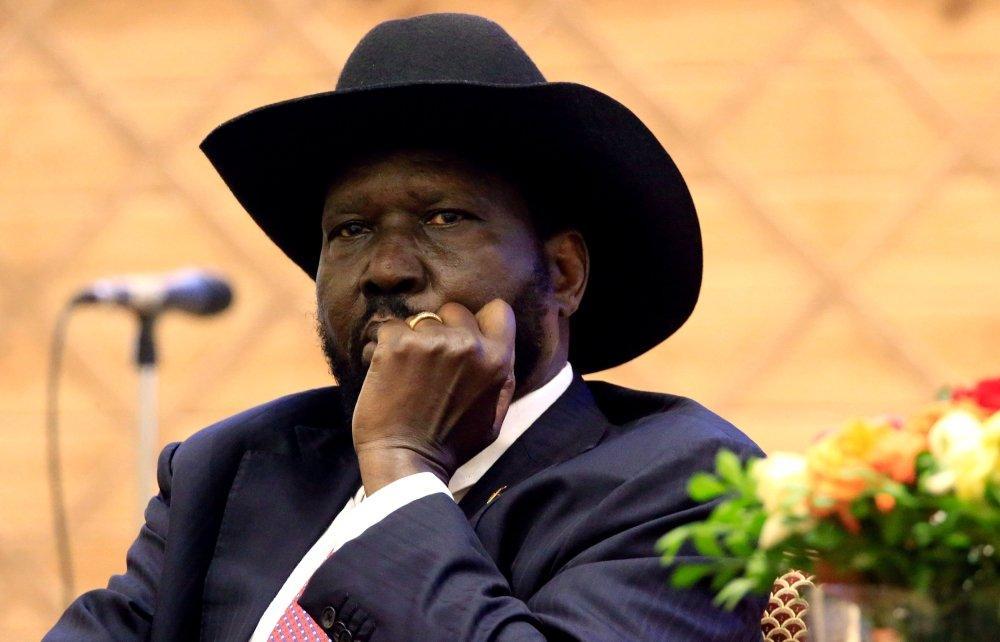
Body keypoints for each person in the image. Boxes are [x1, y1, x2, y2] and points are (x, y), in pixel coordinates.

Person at [46, 12, 765, 641]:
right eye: (351, 230)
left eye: (444, 218)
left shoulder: (681, 483)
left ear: (563, 273)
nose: (387, 269)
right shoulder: (230, 468)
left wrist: (399, 470)